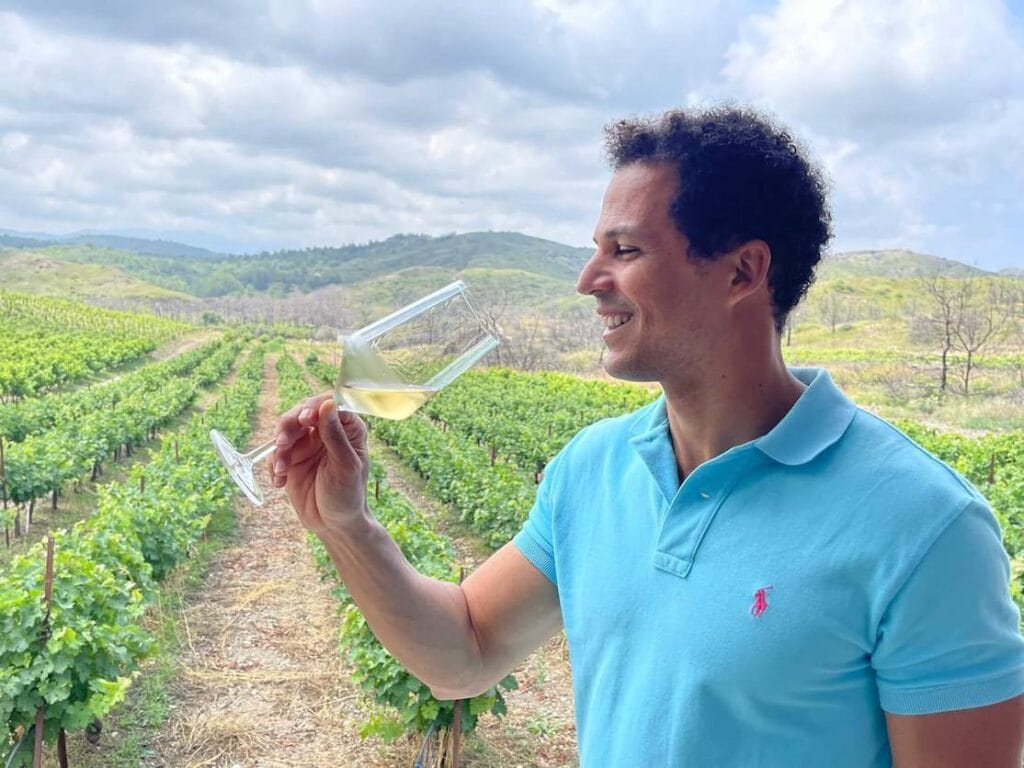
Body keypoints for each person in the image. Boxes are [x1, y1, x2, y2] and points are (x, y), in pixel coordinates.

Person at [270, 106, 1024, 766]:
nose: (588, 278)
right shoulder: (591, 469)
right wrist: (348, 527)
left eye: (624, 251)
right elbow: (463, 654)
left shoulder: (926, 527)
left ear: (742, 272)